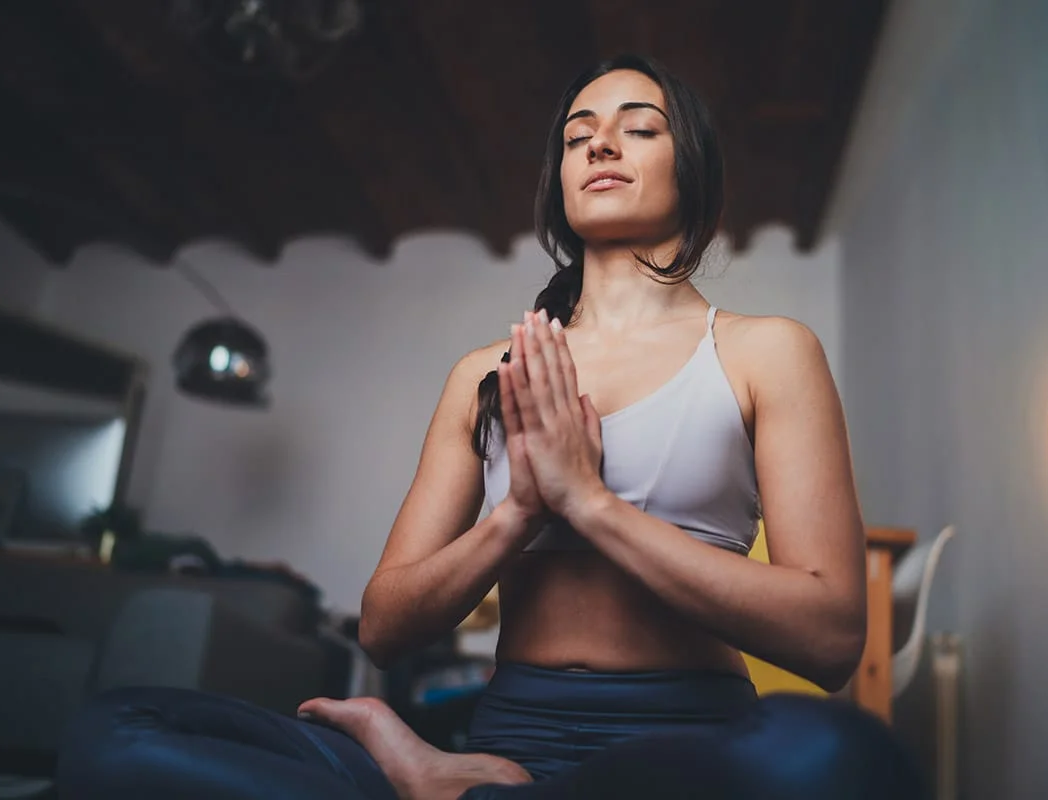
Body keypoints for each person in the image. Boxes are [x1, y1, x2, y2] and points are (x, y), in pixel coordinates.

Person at [57, 54, 924, 799]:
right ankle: (445, 777)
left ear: (691, 169)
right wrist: (518, 517)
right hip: (508, 738)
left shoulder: (765, 353)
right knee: (122, 728)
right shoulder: (486, 375)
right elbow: (385, 625)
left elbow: (831, 639)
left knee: (842, 758)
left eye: (638, 126)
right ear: (559, 176)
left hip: (685, 746)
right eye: (578, 131)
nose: (599, 142)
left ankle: (435, 781)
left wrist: (592, 504)